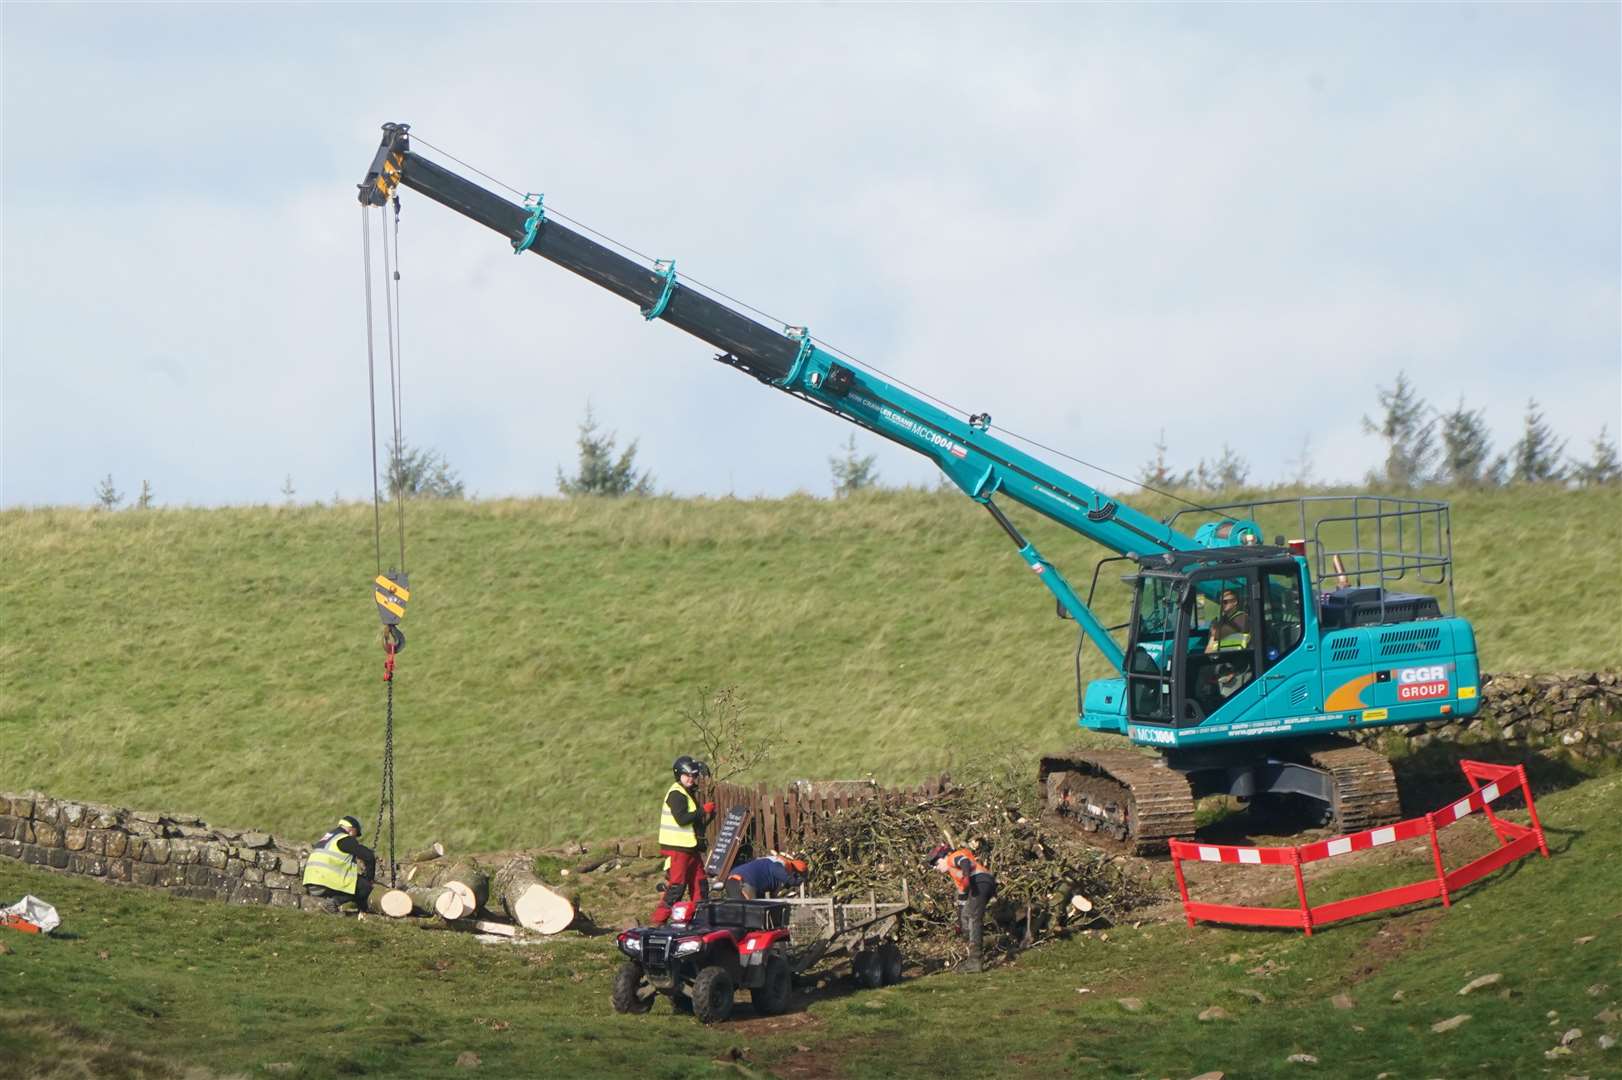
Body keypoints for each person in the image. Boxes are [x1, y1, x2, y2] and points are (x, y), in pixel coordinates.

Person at [650, 755, 715, 926]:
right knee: (677, 886)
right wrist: (703, 811)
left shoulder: (686, 792)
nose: (691, 779)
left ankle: (699, 919)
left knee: (700, 883)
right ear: (679, 775)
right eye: (687, 775)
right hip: (678, 848)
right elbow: (683, 819)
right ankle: (659, 920)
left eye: (693, 775)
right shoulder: (676, 794)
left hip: (689, 848)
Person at [927, 843, 997, 972]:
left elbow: (964, 862)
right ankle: (980, 944)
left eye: (936, 864)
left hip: (980, 881)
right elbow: (962, 900)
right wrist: (960, 922)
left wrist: (966, 877)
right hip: (980, 884)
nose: (936, 868)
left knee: (974, 918)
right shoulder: (954, 874)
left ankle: (975, 960)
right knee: (967, 917)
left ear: (944, 857)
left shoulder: (952, 857)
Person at [301, 815, 377, 911]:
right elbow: (369, 856)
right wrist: (369, 879)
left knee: (356, 883)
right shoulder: (344, 839)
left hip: (311, 883)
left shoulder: (328, 838)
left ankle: (353, 909)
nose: (355, 838)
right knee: (365, 887)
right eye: (356, 834)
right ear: (351, 830)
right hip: (324, 883)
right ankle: (333, 903)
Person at [723, 854, 808, 900]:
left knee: (737, 914)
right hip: (745, 882)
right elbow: (789, 880)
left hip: (732, 879)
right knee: (752, 915)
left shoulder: (770, 860)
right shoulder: (778, 865)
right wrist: (800, 881)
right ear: (793, 869)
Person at [1204, 587, 1251, 654]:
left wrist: (1214, 626)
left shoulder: (1242, 618)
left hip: (1237, 658)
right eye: (1220, 602)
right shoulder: (1223, 619)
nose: (1222, 605)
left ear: (1235, 602)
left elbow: (1217, 633)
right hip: (1220, 657)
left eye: (1225, 602)